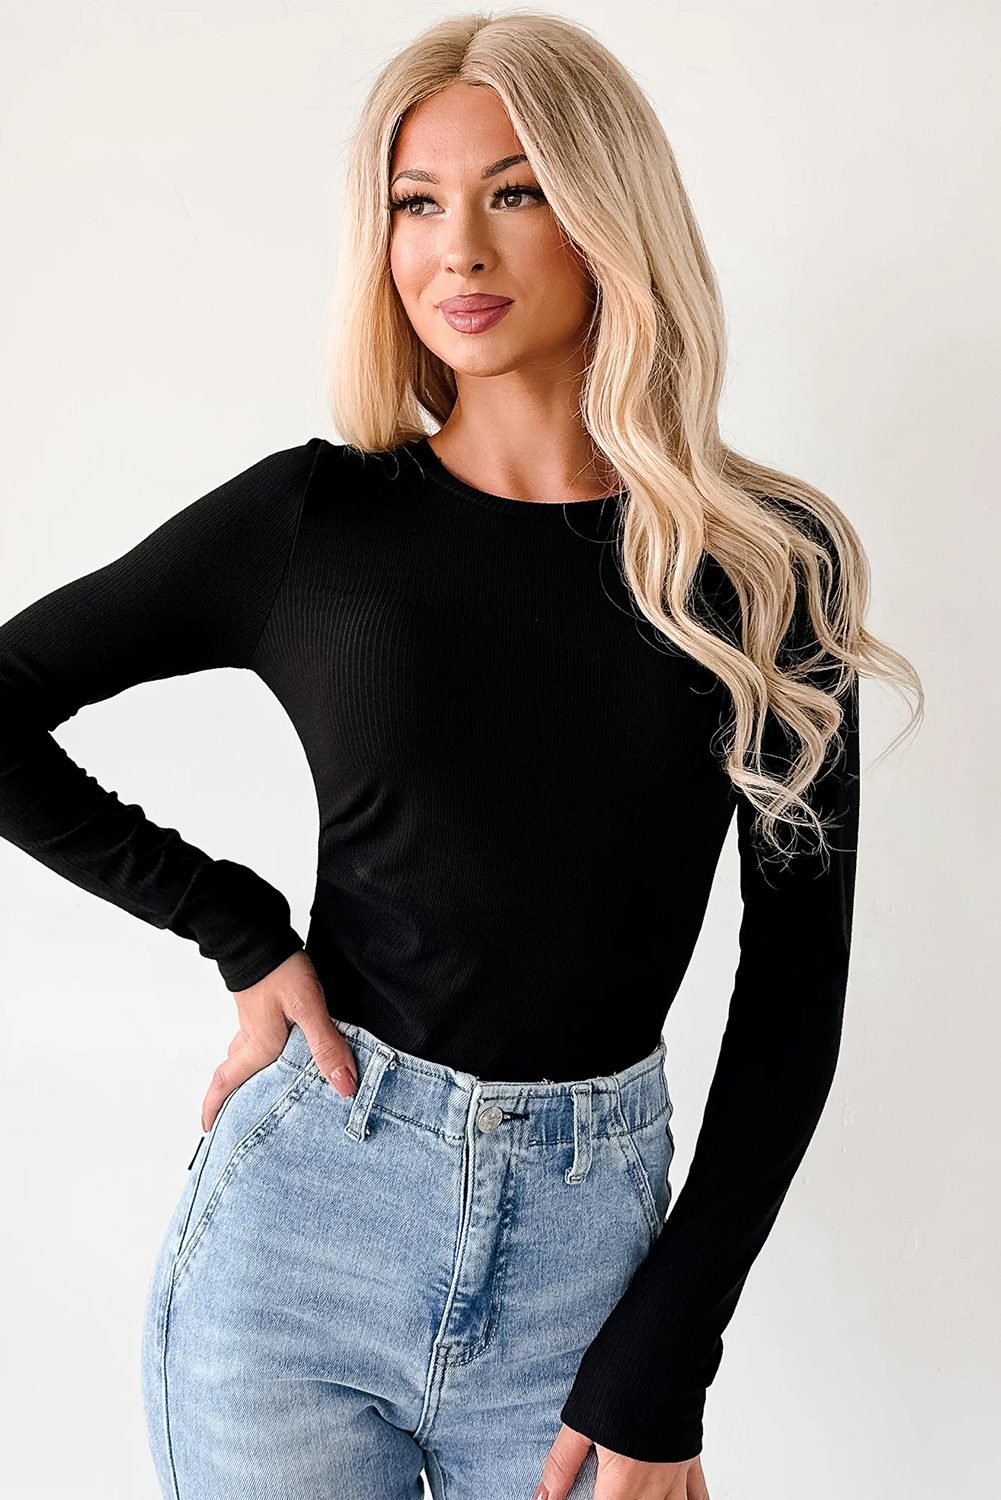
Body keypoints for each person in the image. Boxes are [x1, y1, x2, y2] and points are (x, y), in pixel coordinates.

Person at [0, 12, 921, 1500]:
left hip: (588, 1268)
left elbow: (794, 986)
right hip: (300, 1236)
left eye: (515, 191)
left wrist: (665, 1360)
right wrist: (234, 924)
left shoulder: (763, 565)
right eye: (415, 203)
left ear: (607, 212)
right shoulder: (316, 525)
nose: (458, 251)